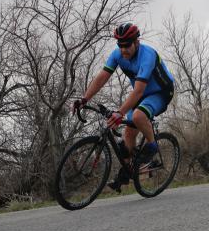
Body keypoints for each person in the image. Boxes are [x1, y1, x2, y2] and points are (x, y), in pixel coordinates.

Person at [74, 22, 174, 192]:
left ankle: (152, 146)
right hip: (141, 94)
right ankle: (127, 171)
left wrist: (120, 113)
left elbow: (139, 90)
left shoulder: (147, 55)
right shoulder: (117, 55)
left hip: (160, 92)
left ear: (137, 42)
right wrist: (84, 99)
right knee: (128, 131)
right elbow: (101, 78)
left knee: (137, 116)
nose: (123, 49)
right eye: (120, 45)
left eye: (127, 45)